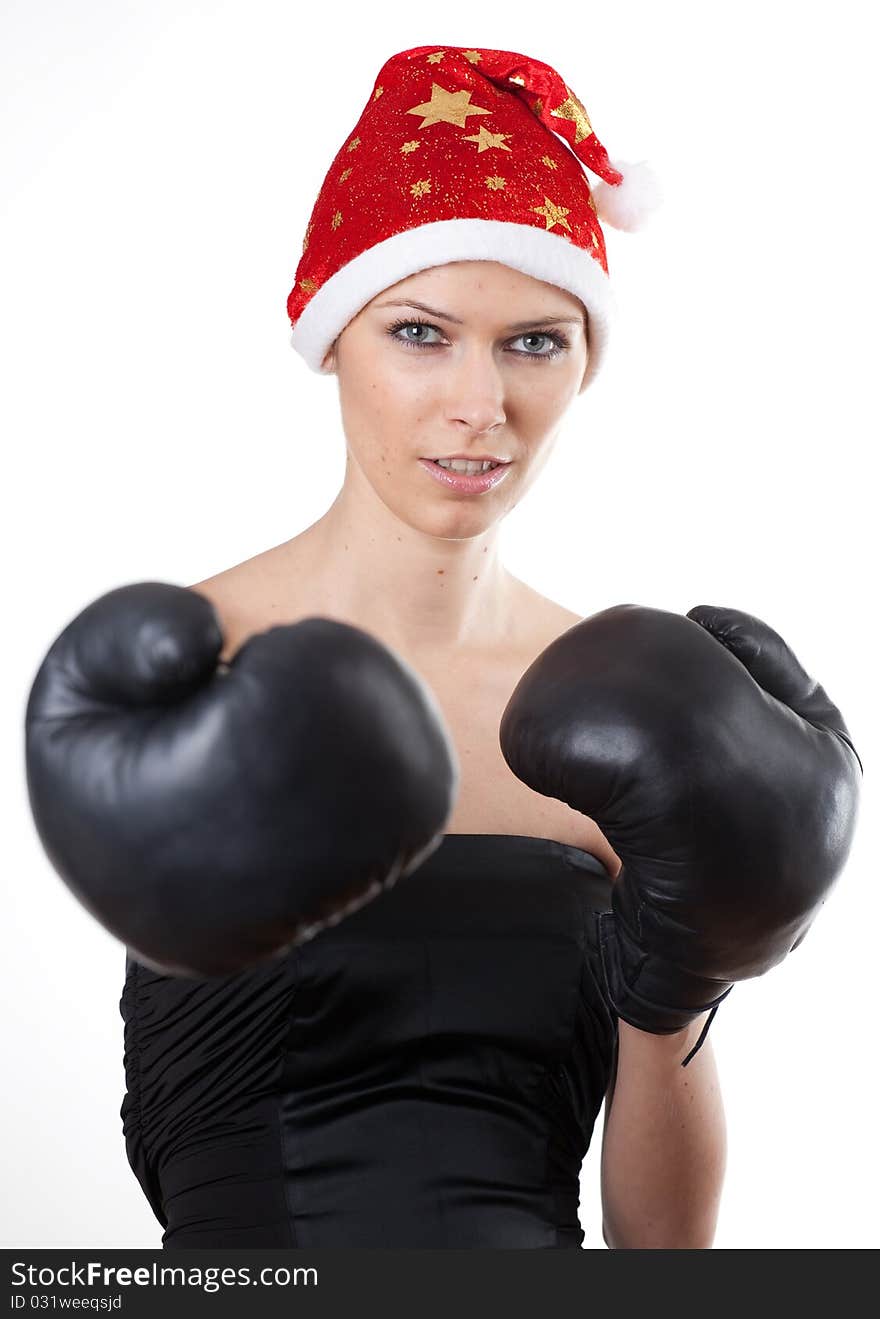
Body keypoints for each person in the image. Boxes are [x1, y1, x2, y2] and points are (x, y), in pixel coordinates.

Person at [25, 44, 860, 1249]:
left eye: (534, 341)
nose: (481, 403)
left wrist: (688, 980)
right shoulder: (187, 669)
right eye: (420, 331)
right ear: (332, 339)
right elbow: (181, 1133)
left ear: (585, 360)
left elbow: (663, 1253)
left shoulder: (631, 707)